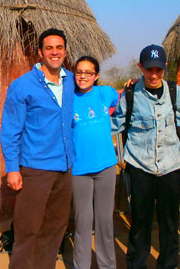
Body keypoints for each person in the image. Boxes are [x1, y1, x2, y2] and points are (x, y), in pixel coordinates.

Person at [112, 44, 180, 269]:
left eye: (158, 69)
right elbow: (115, 123)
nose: (154, 75)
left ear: (165, 68)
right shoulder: (130, 95)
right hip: (140, 166)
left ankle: (168, 264)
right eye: (149, 70)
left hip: (171, 165)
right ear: (141, 68)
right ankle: (137, 264)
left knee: (169, 222)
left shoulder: (176, 93)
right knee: (140, 222)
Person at [0, 28, 75, 269]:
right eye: (49, 48)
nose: (55, 52)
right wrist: (12, 168)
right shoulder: (22, 86)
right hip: (35, 169)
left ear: (65, 51)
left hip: (65, 168)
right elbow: (11, 130)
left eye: (59, 48)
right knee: (28, 230)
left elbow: (99, 95)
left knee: (55, 229)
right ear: (41, 52)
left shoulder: (72, 81)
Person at [71, 56, 120, 269]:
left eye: (88, 73)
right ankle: (81, 265)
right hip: (79, 169)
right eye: (79, 72)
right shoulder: (68, 98)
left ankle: (107, 265)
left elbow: (123, 100)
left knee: (105, 222)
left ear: (96, 76)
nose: (83, 76)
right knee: (82, 222)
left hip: (106, 167)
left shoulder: (105, 93)